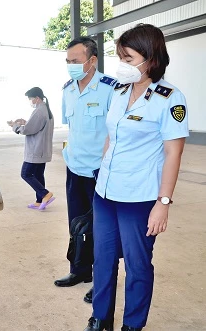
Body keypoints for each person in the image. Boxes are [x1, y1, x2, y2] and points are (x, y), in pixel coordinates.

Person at [84, 24, 189, 331]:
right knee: (102, 259)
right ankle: (100, 318)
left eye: (128, 58)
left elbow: (173, 154)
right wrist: (100, 172)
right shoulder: (118, 90)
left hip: (139, 197)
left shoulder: (170, 98)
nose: (122, 65)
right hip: (105, 192)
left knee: (137, 264)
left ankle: (133, 325)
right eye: (120, 57)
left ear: (151, 59)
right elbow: (111, 135)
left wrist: (163, 202)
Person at [55, 37, 117, 304]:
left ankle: (103, 281)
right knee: (76, 224)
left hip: (98, 172)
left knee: (102, 232)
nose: (71, 66)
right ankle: (80, 271)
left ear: (92, 61)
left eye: (76, 61)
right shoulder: (67, 89)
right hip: (75, 169)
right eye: (68, 61)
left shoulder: (111, 89)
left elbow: (117, 134)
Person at [7, 87, 55, 210]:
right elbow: (36, 125)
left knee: (26, 173)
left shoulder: (39, 111)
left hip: (36, 150)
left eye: (30, 99)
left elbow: (28, 130)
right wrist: (25, 122)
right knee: (38, 175)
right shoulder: (45, 109)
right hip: (43, 150)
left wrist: (15, 126)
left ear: (37, 98)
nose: (30, 101)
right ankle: (40, 201)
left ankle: (45, 194)